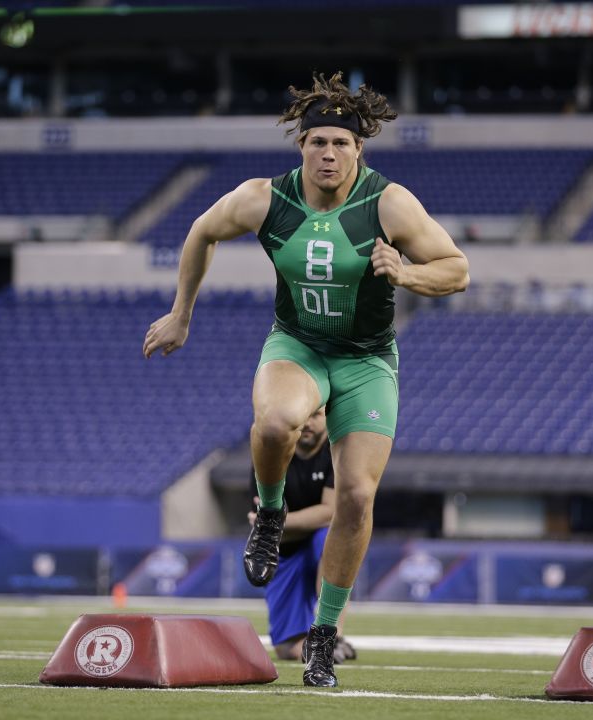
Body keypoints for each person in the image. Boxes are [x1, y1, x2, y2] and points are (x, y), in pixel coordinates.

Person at [144, 71, 469, 687]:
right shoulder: (265, 198)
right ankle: (269, 517)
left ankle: (322, 635)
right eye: (317, 141)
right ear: (301, 147)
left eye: (340, 144)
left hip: (367, 359)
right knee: (275, 421)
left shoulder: (389, 203)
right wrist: (181, 313)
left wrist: (405, 272)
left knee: (355, 497)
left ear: (358, 150)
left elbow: (457, 269)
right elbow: (201, 232)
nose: (328, 153)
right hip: (298, 344)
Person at [247, 406, 356, 664]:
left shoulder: (336, 453)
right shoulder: (271, 452)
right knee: (286, 649)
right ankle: (327, 649)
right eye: (302, 415)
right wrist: (278, 523)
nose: (307, 422)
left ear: (328, 419)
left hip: (317, 543)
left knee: (333, 535)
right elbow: (264, 525)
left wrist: (278, 519)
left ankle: (333, 637)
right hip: (283, 550)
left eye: (315, 415)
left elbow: (330, 514)